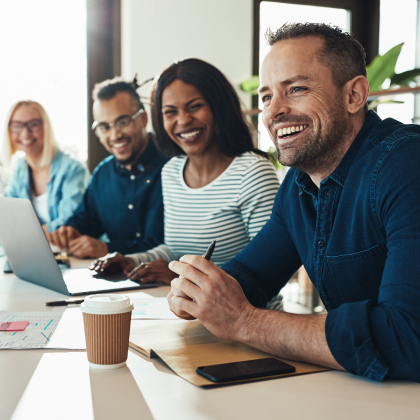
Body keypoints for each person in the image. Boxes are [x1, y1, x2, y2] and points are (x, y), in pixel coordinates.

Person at [167, 23, 420, 383]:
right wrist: (200, 290)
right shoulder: (299, 184)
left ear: (354, 95)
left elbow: (407, 338)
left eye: (297, 89)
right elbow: (252, 276)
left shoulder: (405, 165)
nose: (274, 112)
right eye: (267, 96)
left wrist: (244, 321)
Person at [90, 59, 280, 284]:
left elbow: (269, 269)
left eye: (195, 106)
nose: (183, 120)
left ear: (217, 107)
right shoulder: (171, 171)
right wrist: (131, 261)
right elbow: (174, 251)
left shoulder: (253, 173)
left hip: (242, 317)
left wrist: (181, 276)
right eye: (170, 112)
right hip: (182, 312)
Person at [46, 77, 168, 258]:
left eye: (123, 122)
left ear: (143, 118)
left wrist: (109, 249)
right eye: (104, 127)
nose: (115, 135)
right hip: (117, 281)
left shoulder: (173, 166)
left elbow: (171, 246)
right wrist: (71, 231)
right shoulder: (103, 174)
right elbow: (86, 219)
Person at [2, 100, 89, 233]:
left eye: (33, 124)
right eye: (17, 125)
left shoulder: (72, 169)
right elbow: (8, 214)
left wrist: (31, 234)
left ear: (46, 126)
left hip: (70, 250)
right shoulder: (19, 169)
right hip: (35, 248)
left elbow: (70, 222)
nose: (25, 133)